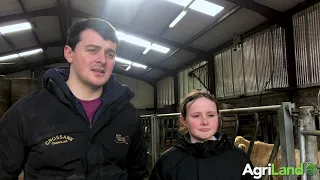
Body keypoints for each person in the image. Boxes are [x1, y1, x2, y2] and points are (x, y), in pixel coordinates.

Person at [0, 18, 148, 180]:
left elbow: (138, 173)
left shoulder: (128, 115)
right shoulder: (27, 112)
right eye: (92, 50)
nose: (103, 60)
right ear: (69, 53)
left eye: (110, 53)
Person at [149, 90, 254, 180]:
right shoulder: (167, 163)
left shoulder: (239, 159)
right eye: (196, 116)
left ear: (218, 117)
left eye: (211, 115)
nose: (205, 122)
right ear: (183, 120)